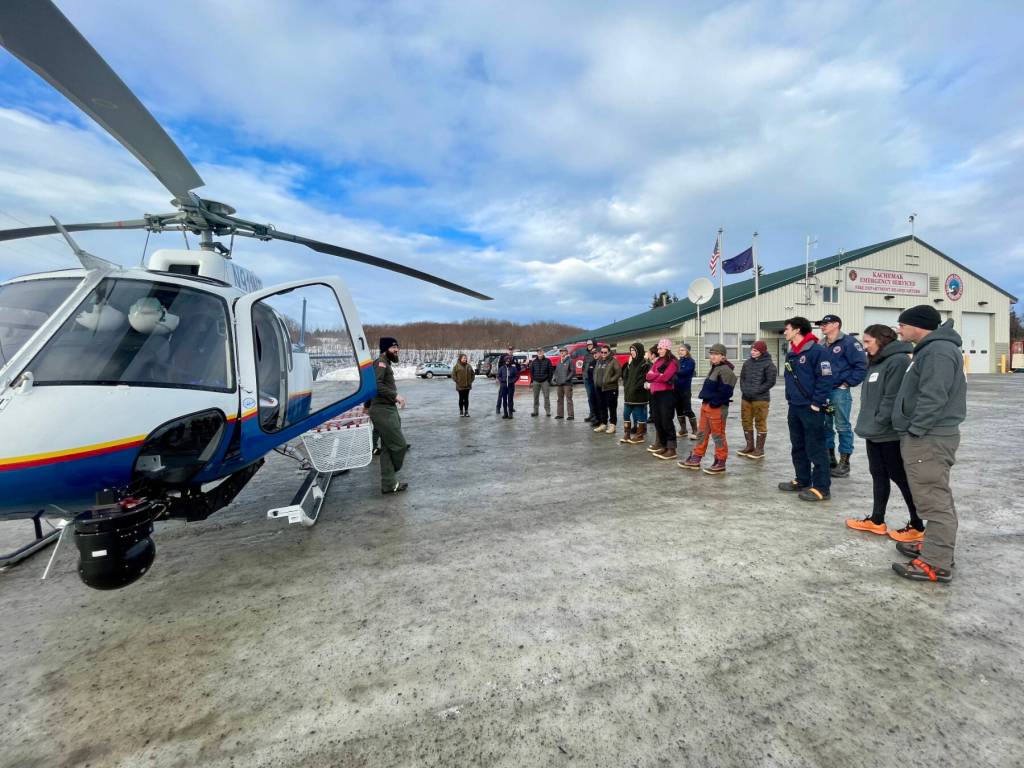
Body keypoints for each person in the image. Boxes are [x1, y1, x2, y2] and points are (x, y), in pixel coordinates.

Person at [890, 305, 966, 584]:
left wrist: (916, 430)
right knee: (935, 495)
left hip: (929, 437)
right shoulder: (931, 349)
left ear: (917, 325)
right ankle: (936, 546)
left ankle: (936, 563)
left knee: (933, 499)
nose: (898, 329)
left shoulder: (938, 351)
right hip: (929, 435)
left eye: (902, 324)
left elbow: (934, 396)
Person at [846, 325, 921, 539]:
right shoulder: (877, 361)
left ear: (881, 340)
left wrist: (879, 420)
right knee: (878, 473)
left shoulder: (898, 361)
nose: (865, 346)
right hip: (874, 430)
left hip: (888, 432)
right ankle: (877, 520)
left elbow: (892, 397)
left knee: (900, 476)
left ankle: (917, 525)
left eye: (868, 342)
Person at [778, 316, 834, 502]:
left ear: (797, 330)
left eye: (787, 329)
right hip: (795, 406)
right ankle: (803, 480)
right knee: (798, 446)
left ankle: (821, 488)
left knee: (815, 447)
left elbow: (825, 379)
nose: (785, 332)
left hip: (812, 408)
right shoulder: (791, 353)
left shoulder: (817, 351)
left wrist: (816, 403)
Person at [816, 314, 868, 477]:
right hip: (823, 391)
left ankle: (844, 463)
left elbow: (861, 365)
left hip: (839, 391)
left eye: (825, 324)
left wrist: (847, 383)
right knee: (825, 426)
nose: (822, 326)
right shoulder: (821, 344)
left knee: (842, 426)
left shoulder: (849, 343)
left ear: (836, 325)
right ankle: (830, 458)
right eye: (821, 324)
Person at [679, 343, 736, 474]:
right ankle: (696, 457)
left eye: (716, 354)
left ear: (723, 356)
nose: (713, 356)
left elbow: (727, 391)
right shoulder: (715, 368)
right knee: (701, 433)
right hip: (706, 405)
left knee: (718, 435)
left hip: (717, 408)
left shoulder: (726, 370)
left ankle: (720, 461)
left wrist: (714, 403)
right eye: (711, 354)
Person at [368, 336, 409, 494]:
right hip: (383, 410)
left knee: (386, 448)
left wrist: (367, 405)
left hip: (387, 408)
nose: (396, 350)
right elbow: (376, 384)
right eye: (393, 347)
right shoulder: (381, 362)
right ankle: (393, 473)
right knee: (399, 445)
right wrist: (395, 395)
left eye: (397, 347)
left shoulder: (385, 363)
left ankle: (389, 484)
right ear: (386, 349)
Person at [737, 340, 777, 460]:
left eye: (755, 350)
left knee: (760, 423)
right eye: (752, 350)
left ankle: (759, 450)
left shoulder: (769, 364)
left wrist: (757, 390)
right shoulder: (747, 363)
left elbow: (771, 382)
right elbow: (742, 378)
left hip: (761, 399)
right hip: (746, 398)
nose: (752, 352)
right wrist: (744, 389)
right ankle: (749, 446)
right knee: (746, 421)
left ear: (762, 351)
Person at [644, 340, 678, 458]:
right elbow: (648, 375)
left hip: (666, 394)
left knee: (666, 420)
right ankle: (663, 446)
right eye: (658, 348)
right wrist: (659, 375)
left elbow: (666, 378)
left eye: (661, 348)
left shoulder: (672, 362)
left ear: (667, 349)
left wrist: (655, 377)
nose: (658, 351)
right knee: (657, 421)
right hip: (655, 394)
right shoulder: (658, 361)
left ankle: (671, 449)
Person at [619, 342, 650, 444]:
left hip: (639, 396)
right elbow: (625, 377)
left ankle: (640, 435)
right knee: (626, 414)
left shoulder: (645, 364)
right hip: (629, 395)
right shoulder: (631, 363)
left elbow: (643, 379)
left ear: (639, 351)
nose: (632, 352)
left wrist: (634, 388)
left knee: (640, 415)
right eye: (631, 350)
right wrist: (626, 387)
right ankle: (627, 434)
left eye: (634, 350)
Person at [592, 346, 622, 434]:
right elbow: (595, 372)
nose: (603, 354)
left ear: (609, 352)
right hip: (599, 388)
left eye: (605, 352)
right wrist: (595, 381)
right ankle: (603, 424)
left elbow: (618, 373)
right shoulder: (599, 361)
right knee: (602, 407)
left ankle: (612, 425)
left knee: (612, 407)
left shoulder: (613, 361)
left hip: (610, 388)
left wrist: (610, 380)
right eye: (602, 352)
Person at [674, 342, 699, 440]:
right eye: (679, 350)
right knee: (679, 410)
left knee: (687, 410)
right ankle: (683, 430)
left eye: (682, 350)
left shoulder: (691, 362)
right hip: (676, 390)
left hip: (685, 390)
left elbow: (684, 372)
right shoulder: (678, 361)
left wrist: (674, 371)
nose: (680, 352)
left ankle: (695, 430)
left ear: (687, 351)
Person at [529, 347, 554, 417]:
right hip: (536, 382)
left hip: (545, 381)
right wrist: (533, 379)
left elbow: (551, 371)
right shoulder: (534, 362)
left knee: (546, 397)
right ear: (537, 353)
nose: (539, 352)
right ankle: (535, 411)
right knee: (535, 397)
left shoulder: (548, 361)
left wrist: (548, 380)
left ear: (543, 352)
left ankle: (548, 411)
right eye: (538, 351)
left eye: (541, 351)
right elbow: (531, 372)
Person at [552, 347, 575, 420]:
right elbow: (556, 371)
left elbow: (573, 372)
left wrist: (567, 379)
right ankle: (560, 415)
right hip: (559, 384)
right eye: (560, 351)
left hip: (567, 384)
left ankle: (570, 415)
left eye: (563, 351)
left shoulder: (570, 360)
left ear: (566, 352)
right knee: (559, 400)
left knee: (569, 400)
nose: (561, 352)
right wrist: (555, 378)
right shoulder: (559, 361)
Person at [496, 347, 520, 419]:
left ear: (513, 351)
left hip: (510, 383)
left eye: (511, 350)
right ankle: (498, 408)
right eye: (509, 350)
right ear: (507, 350)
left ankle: (510, 411)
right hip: (503, 382)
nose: (510, 351)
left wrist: (512, 380)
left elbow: (518, 369)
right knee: (501, 396)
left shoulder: (514, 358)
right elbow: (499, 369)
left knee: (510, 398)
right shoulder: (503, 357)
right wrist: (501, 379)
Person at [452, 352, 475, 417]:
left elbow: (473, 374)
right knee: (461, 399)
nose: (465, 359)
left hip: (467, 386)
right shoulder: (456, 366)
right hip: (460, 386)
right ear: (460, 359)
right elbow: (453, 375)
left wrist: (471, 381)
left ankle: (466, 411)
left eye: (465, 358)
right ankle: (461, 411)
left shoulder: (469, 366)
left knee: (466, 399)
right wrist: (458, 381)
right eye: (463, 358)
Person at [581, 340, 599, 422]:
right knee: (590, 398)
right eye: (587, 344)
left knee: (595, 398)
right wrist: (583, 375)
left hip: (594, 379)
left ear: (594, 344)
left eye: (590, 344)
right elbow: (584, 366)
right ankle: (592, 414)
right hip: (587, 378)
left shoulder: (597, 352)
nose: (588, 345)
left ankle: (597, 415)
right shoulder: (586, 354)